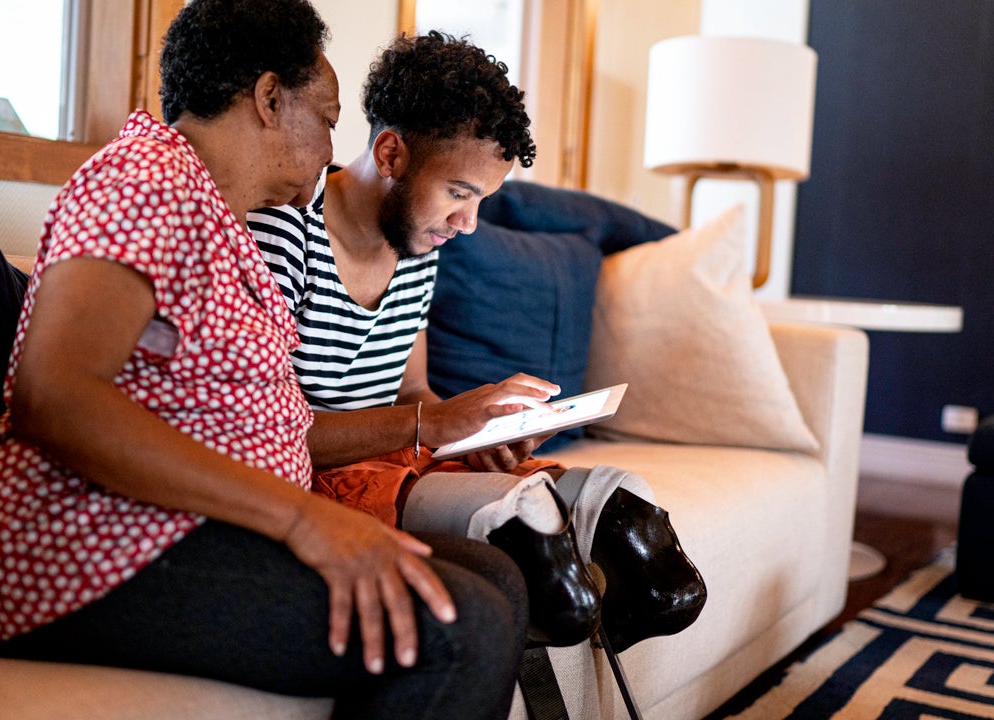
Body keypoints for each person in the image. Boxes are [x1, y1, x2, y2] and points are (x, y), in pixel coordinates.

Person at [0, 3, 527, 718]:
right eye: (329, 119)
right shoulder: (148, 182)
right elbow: (54, 399)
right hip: (79, 538)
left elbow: (272, 421)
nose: (334, 147)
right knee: (461, 630)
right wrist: (303, 519)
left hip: (181, 521)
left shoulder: (223, 221)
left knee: (497, 575)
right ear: (270, 100)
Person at [249, 31, 707, 653]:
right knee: (544, 558)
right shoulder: (283, 232)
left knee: (640, 540)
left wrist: (480, 433)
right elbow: (267, 435)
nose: (466, 225)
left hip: (400, 460)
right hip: (315, 478)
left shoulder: (417, 249)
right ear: (390, 155)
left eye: (480, 201)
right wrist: (433, 424)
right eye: (459, 194)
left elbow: (411, 389)